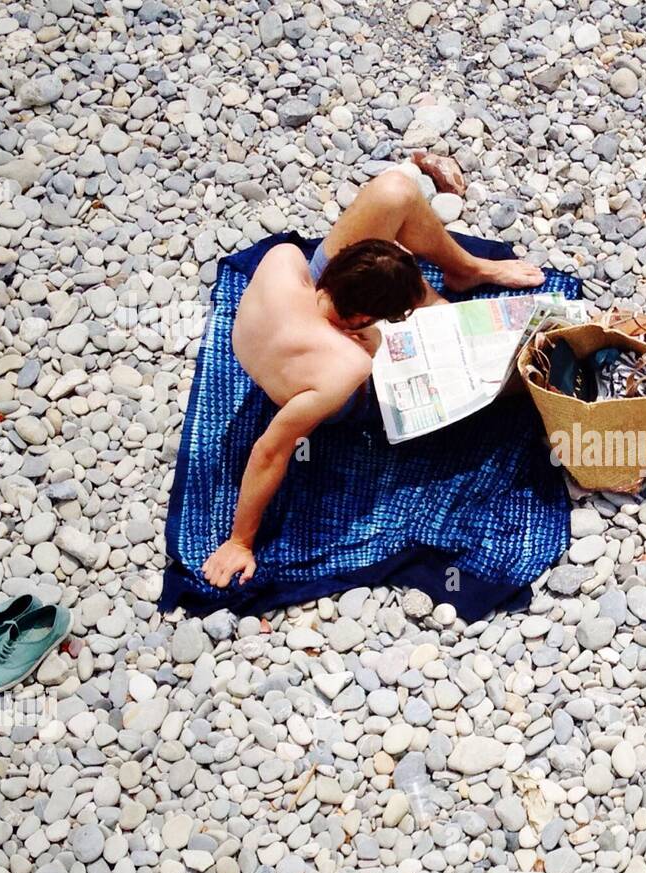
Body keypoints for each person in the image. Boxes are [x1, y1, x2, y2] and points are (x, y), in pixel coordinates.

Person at [202, 158, 546, 588]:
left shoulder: (284, 259)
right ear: (364, 320)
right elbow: (271, 450)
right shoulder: (345, 366)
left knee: (394, 190)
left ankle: (466, 269)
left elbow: (324, 297)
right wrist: (239, 541)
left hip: (304, 318)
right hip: (325, 384)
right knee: (518, 361)